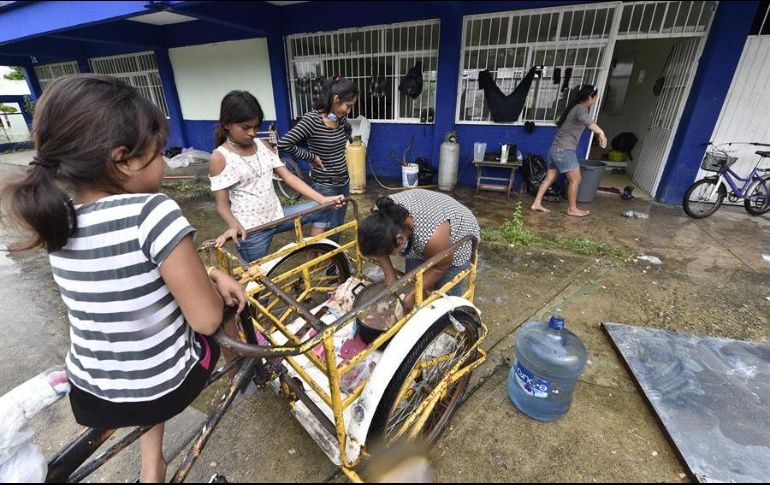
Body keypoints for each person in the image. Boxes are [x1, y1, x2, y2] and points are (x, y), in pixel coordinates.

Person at [0, 75, 247, 483]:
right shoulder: (153, 211)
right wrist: (217, 279)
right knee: (227, 308)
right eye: (159, 154)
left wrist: (206, 271)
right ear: (123, 160)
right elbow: (204, 320)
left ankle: (152, 467)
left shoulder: (59, 223)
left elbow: (127, 282)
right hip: (163, 387)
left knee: (145, 338)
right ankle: (240, 367)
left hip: (92, 393)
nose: (164, 164)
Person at [209, 91, 344, 262]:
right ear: (227, 124)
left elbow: (288, 177)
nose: (252, 133)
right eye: (245, 127)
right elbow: (221, 205)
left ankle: (313, 262)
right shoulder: (220, 157)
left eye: (256, 127)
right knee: (259, 275)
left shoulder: (262, 145)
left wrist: (322, 199)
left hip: (278, 216)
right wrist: (233, 225)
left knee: (323, 209)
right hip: (252, 231)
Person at [357, 189, 480, 311]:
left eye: (390, 253)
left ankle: (451, 315)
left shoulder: (432, 237)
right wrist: (390, 276)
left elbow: (441, 267)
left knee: (445, 297)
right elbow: (378, 249)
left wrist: (412, 295)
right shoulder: (380, 214)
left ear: (400, 240)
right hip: (426, 225)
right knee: (413, 281)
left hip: (459, 235)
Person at [277, 76, 358, 241]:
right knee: (324, 223)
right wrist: (311, 157)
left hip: (343, 181)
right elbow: (284, 144)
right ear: (336, 99)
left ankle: (333, 254)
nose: (349, 111)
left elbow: (348, 130)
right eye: (348, 106)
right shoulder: (312, 120)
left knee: (337, 225)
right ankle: (321, 255)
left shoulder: (341, 120)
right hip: (325, 184)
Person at [531, 84, 608, 217]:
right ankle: (572, 209)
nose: (595, 101)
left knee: (549, 178)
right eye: (595, 98)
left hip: (555, 150)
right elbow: (588, 122)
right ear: (590, 97)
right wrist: (601, 133)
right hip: (564, 150)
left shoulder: (575, 108)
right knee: (575, 179)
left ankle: (536, 203)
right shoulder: (581, 108)